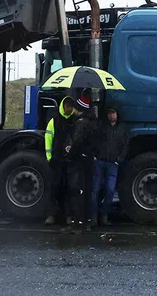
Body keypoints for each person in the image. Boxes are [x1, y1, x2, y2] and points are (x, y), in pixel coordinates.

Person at [44, 96, 81, 225]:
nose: (69, 108)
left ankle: (68, 215)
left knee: (70, 189)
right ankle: (51, 215)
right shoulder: (54, 121)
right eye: (67, 106)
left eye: (71, 106)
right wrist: (50, 158)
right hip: (57, 160)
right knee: (54, 187)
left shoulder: (76, 121)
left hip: (70, 161)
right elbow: (48, 140)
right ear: (63, 106)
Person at [65, 95, 97, 232]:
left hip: (80, 161)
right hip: (90, 160)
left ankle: (78, 221)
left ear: (79, 109)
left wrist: (69, 153)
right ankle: (88, 221)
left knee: (78, 191)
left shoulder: (81, 123)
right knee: (88, 191)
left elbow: (77, 142)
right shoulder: (93, 122)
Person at [92, 107, 128, 226]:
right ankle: (94, 216)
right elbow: (95, 140)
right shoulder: (102, 126)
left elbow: (125, 145)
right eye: (109, 113)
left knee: (110, 190)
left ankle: (104, 215)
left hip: (113, 163)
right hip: (100, 161)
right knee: (96, 189)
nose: (111, 115)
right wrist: (95, 156)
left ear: (117, 114)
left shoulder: (122, 128)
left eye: (113, 113)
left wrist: (119, 159)